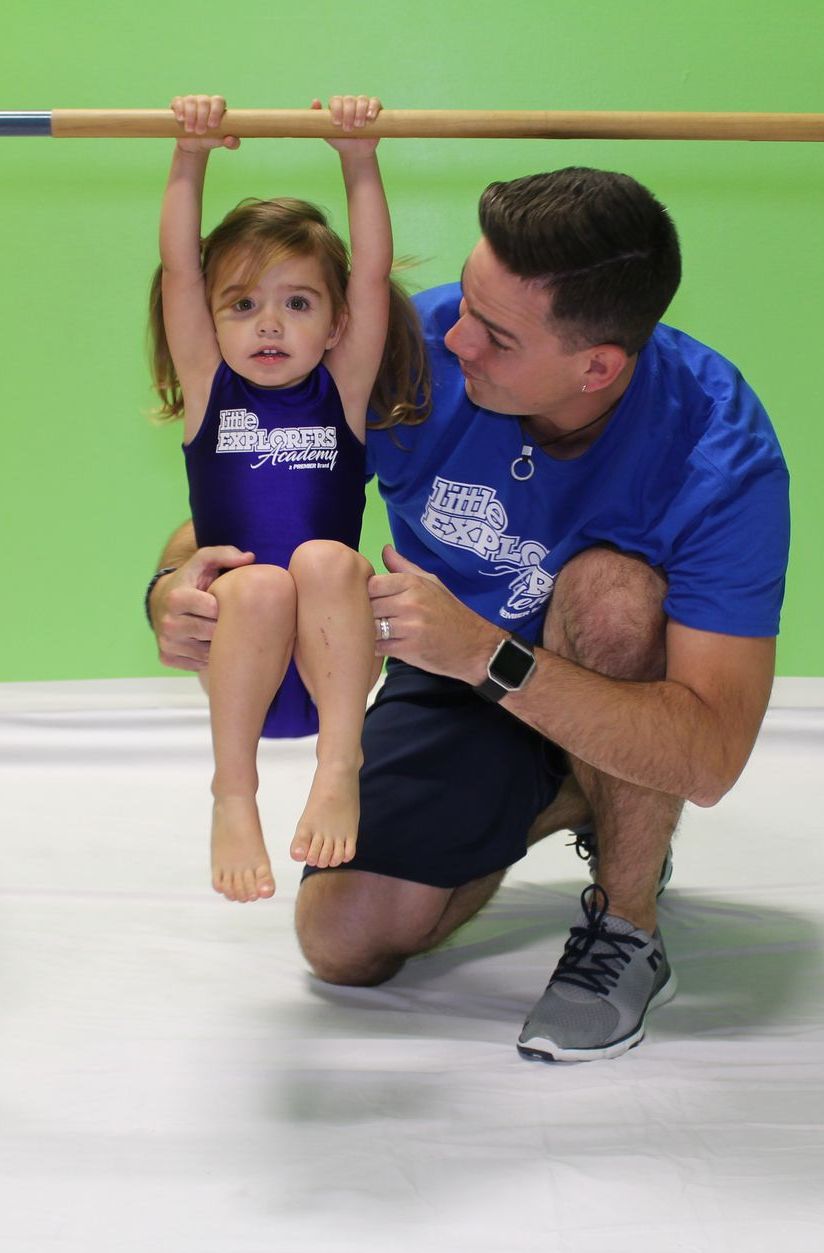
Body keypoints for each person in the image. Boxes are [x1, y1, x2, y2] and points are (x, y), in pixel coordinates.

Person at [147, 163, 790, 1063]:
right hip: (448, 667)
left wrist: (489, 652)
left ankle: (627, 921)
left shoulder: (720, 449)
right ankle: (579, 788)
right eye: (466, 303)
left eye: (492, 332)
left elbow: (711, 757)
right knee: (342, 938)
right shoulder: (413, 348)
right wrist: (173, 584)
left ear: (596, 365)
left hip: (575, 664)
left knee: (613, 596)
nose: (455, 339)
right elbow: (265, 491)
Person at [148, 93, 427, 904]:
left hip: (334, 664)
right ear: (210, 319)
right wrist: (189, 151)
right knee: (262, 579)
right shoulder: (212, 389)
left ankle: (341, 767)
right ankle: (233, 793)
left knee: (326, 559)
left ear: (337, 324)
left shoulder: (340, 392)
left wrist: (358, 155)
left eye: (297, 303)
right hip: (244, 665)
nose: (269, 324)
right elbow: (178, 268)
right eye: (242, 304)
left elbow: (370, 273)